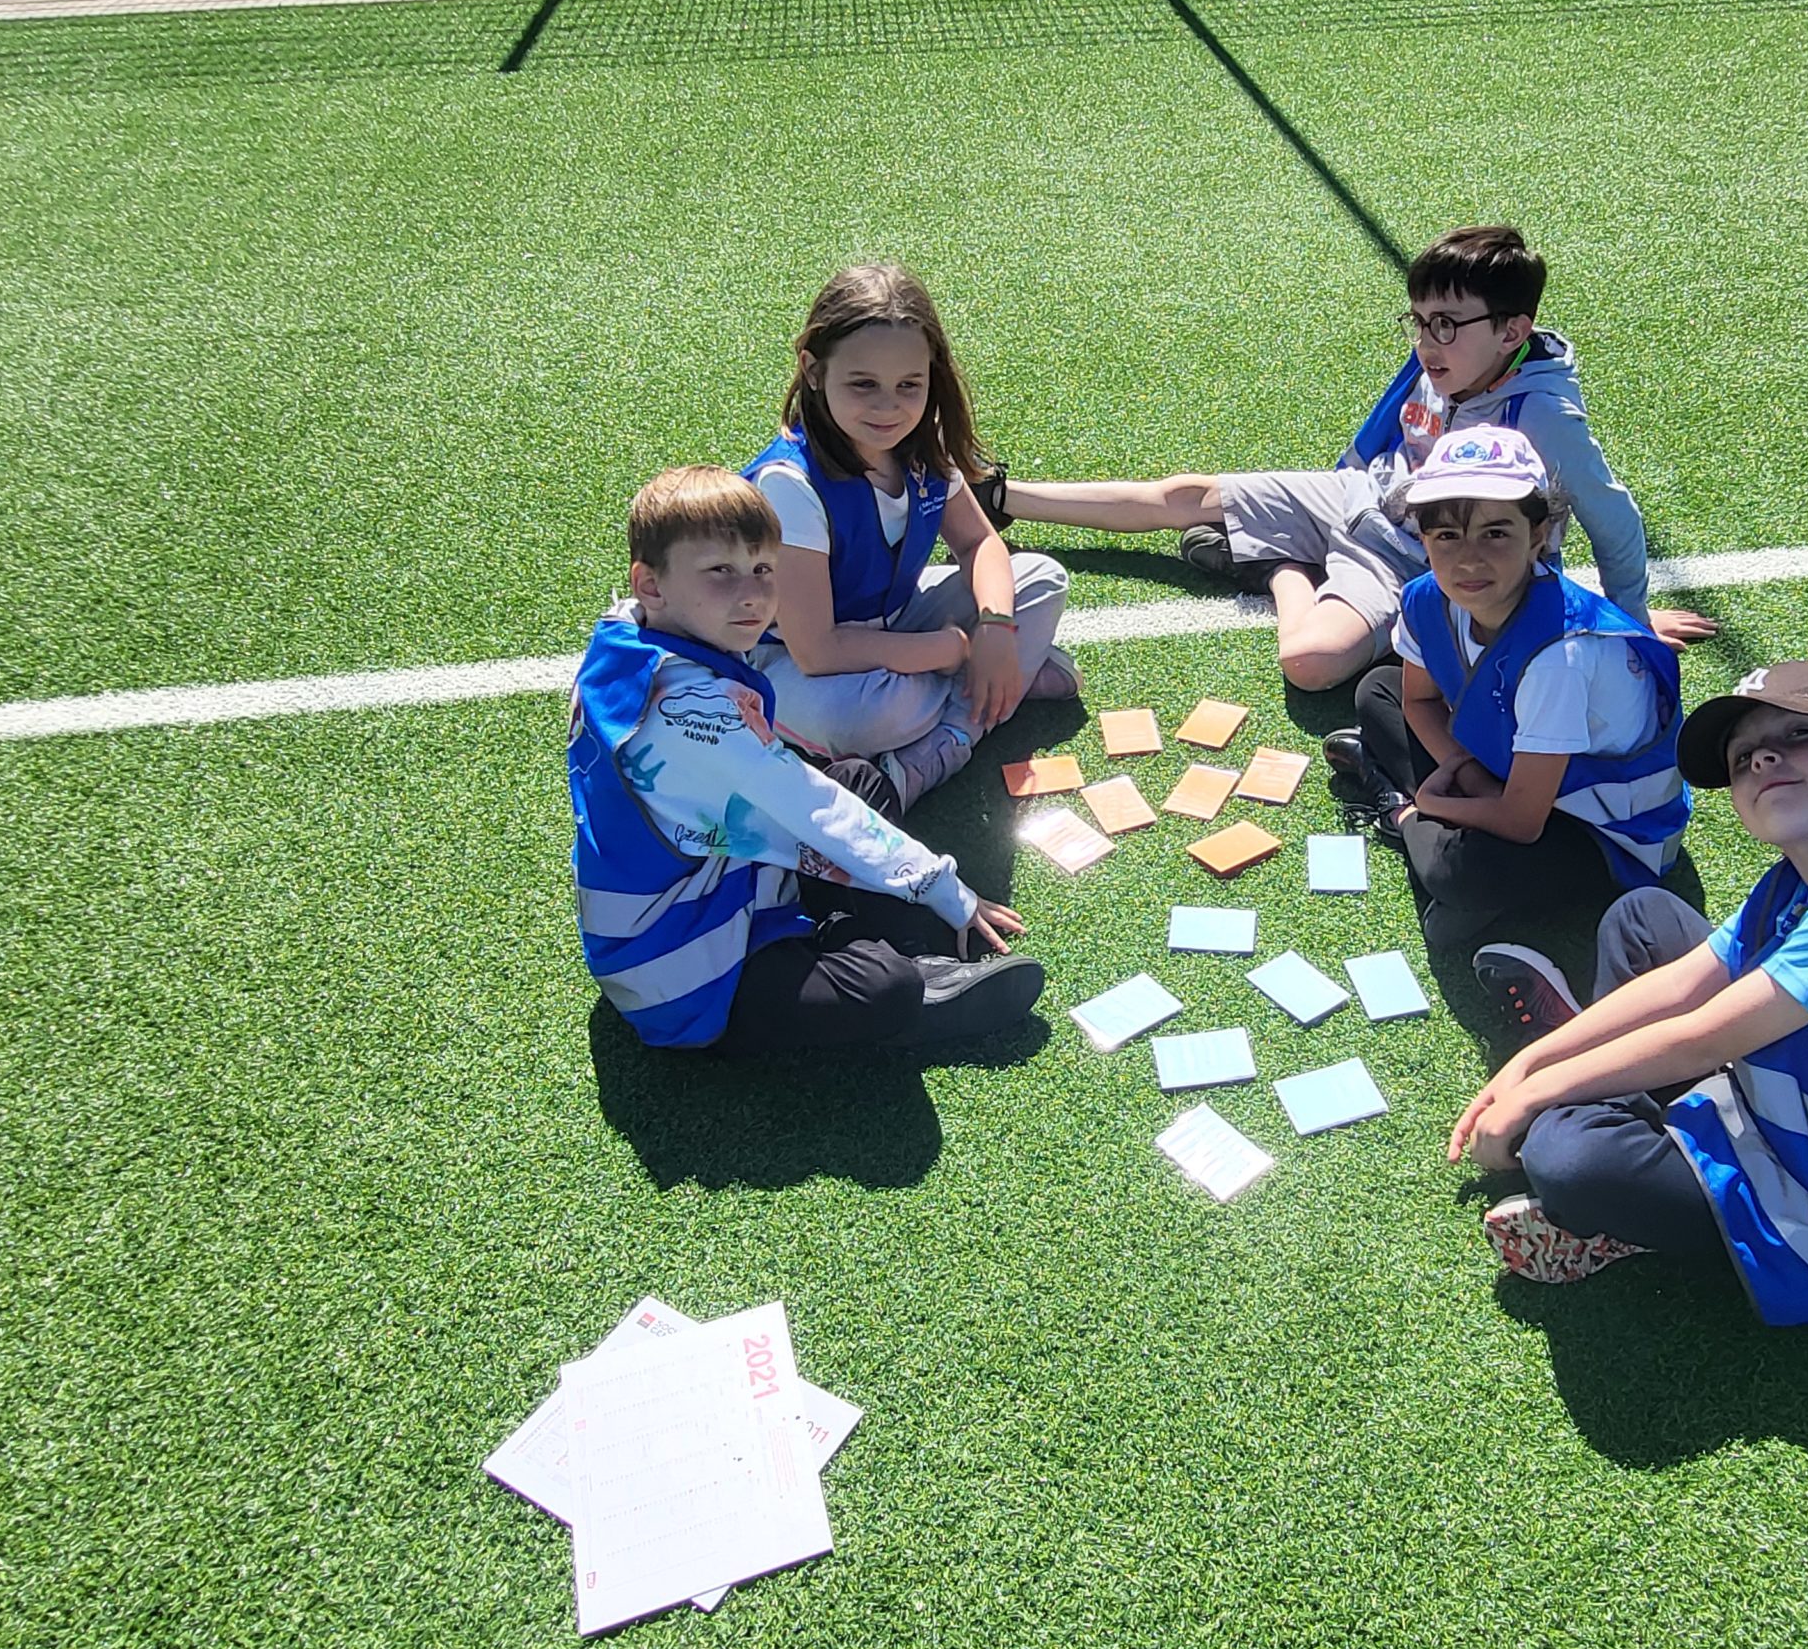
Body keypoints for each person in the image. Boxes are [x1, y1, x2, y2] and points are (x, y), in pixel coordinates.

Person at [1448, 661, 1808, 1325]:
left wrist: (1534, 1093)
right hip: (1797, 1107)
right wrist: (1530, 1063)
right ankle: (1610, 1099)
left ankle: (1616, 1199)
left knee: (1567, 1158)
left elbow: (1700, 1037)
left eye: (1801, 734)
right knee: (1644, 919)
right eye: (1744, 757)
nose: (1763, 758)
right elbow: (1685, 984)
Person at [983, 225, 1715, 690]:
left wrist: (1631, 620)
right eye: (1418, 321)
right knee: (1188, 494)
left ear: (1512, 330)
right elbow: (1380, 430)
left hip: (1417, 555)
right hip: (1364, 494)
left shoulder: (1544, 414)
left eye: (1447, 324)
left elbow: (1613, 517)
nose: (1427, 343)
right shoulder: (1444, 360)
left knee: (1309, 664)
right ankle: (1003, 496)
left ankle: (1279, 570)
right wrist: (1330, 498)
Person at [569, 464, 1045, 1054]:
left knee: (858, 779)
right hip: (684, 968)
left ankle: (878, 940)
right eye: (720, 572)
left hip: (720, 877)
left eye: (763, 569)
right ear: (651, 584)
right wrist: (943, 888)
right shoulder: (686, 714)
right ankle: (894, 964)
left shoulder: (627, 635)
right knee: (884, 986)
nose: (751, 594)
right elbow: (810, 807)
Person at [1321, 426, 1687, 954]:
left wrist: (1430, 801)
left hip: (1598, 828)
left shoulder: (1562, 656)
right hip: (1506, 769)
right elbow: (1417, 700)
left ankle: (1403, 815)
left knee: (1462, 875)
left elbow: (1522, 821)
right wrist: (1468, 772)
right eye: (1447, 536)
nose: (1469, 560)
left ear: (1539, 535)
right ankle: (1445, 844)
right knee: (1378, 691)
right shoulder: (1425, 598)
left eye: (1495, 533)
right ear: (1422, 536)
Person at [742, 264, 1078, 817]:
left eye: (908, 386)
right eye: (863, 384)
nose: (888, 407)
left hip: (895, 624)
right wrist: (951, 651)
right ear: (813, 370)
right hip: (795, 665)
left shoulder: (921, 449)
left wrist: (996, 629)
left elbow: (979, 545)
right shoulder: (790, 483)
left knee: (1042, 578)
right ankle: (992, 692)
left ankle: (952, 731)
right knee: (871, 716)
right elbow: (817, 650)